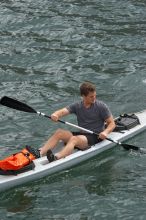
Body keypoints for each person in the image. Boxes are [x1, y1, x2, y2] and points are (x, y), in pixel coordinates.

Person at [39, 82, 115, 162]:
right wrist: (55, 115)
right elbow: (63, 111)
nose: (94, 98)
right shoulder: (77, 106)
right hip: (82, 134)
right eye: (91, 97)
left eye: (95, 96)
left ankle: (56, 157)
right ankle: (40, 153)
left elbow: (112, 123)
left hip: (95, 136)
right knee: (59, 132)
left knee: (74, 139)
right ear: (83, 96)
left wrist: (106, 132)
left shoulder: (101, 106)